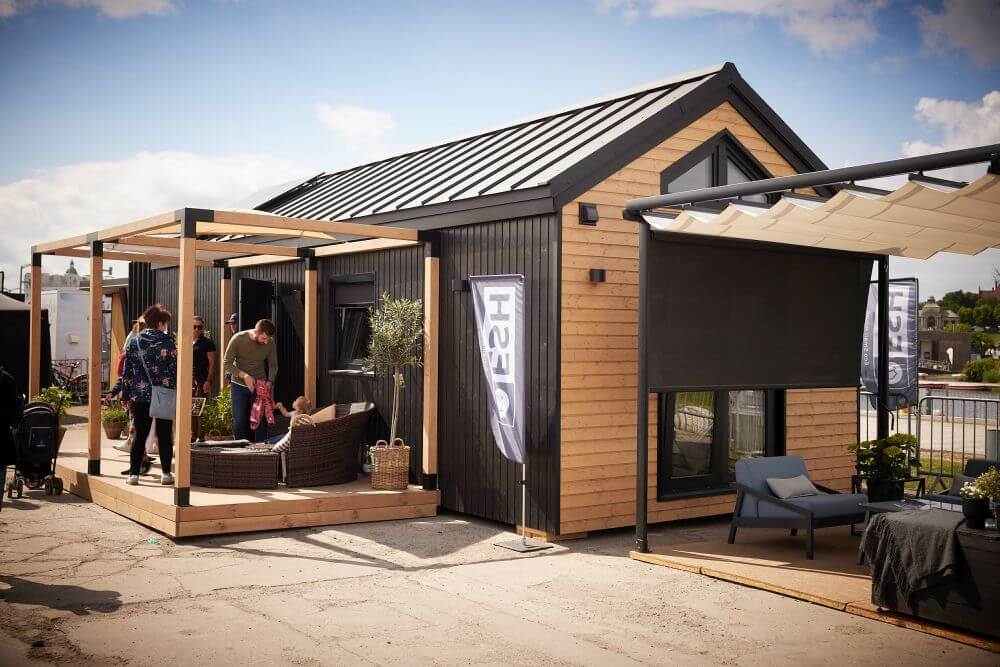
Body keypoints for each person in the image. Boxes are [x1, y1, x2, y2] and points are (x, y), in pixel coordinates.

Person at [119, 304, 177, 486]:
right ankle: (166, 474)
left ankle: (134, 475)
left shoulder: (134, 342)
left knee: (140, 434)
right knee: (164, 434)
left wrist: (125, 395)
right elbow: (174, 370)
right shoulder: (168, 342)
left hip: (140, 395)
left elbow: (127, 372)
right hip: (163, 394)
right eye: (165, 323)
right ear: (160, 323)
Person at [223, 318, 278, 442]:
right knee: (239, 420)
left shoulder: (270, 342)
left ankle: (260, 448)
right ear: (257, 332)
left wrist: (270, 381)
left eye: (268, 339)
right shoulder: (238, 339)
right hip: (238, 385)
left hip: (260, 386)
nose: (266, 342)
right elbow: (226, 363)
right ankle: (240, 449)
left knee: (261, 420)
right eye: (264, 338)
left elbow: (273, 365)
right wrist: (245, 376)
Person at [191, 315, 217, 441]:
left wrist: (208, 381)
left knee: (198, 408)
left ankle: (200, 437)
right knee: (188, 408)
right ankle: (191, 436)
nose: (197, 329)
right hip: (187, 381)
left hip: (201, 380)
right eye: (194, 326)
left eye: (200, 327)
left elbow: (212, 364)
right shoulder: (184, 341)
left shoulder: (208, 343)